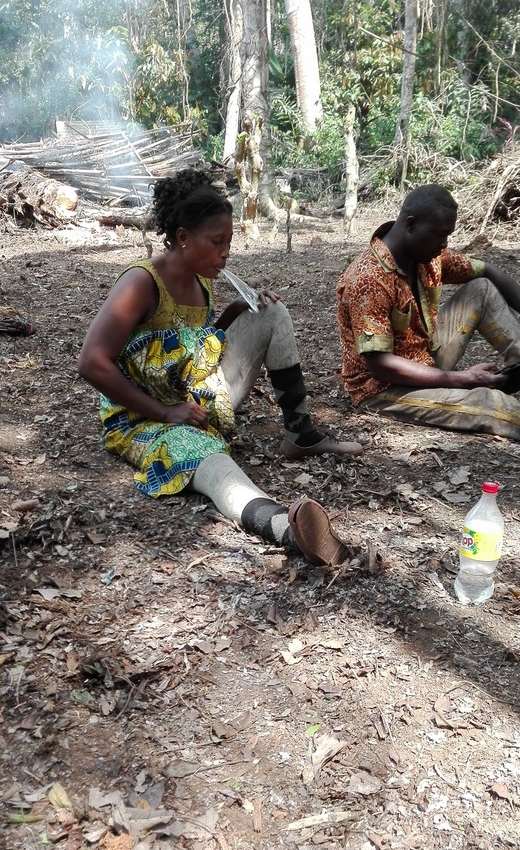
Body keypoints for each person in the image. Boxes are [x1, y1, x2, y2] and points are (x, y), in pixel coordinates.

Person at [78, 167, 362, 567]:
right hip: (141, 417)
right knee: (205, 455)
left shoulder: (203, 278)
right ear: (182, 238)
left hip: (194, 396)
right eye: (217, 242)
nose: (225, 253)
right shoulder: (142, 283)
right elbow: (91, 362)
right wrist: (165, 412)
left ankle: (300, 433)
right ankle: (285, 527)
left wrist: (233, 313)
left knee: (272, 312)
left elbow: (190, 347)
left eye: (229, 241)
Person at [336, 184, 520, 447]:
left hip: (426, 360)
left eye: (447, 235)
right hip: (383, 388)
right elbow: (381, 365)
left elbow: (488, 271)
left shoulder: (427, 257)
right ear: (411, 224)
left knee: (480, 289)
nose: (444, 244)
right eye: (440, 235)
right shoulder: (368, 279)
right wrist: (462, 380)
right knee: (487, 402)